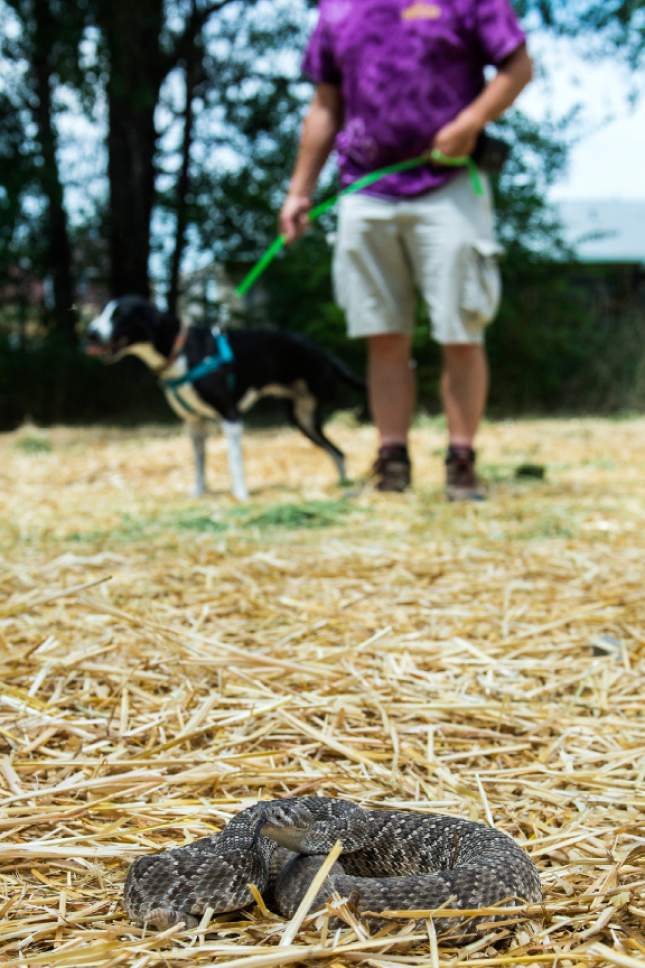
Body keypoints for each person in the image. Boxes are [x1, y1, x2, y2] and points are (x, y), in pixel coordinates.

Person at [279, 0, 532, 498]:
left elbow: (518, 67)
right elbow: (326, 103)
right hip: (365, 189)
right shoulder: (338, 9)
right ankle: (391, 461)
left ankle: (462, 462)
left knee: (461, 327)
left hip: (449, 185)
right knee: (382, 332)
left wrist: (470, 122)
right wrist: (299, 190)